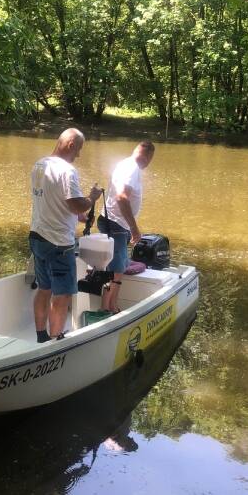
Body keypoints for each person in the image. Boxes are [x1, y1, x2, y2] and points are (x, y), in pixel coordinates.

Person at [29, 128, 103, 342]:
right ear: (71, 145)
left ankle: (41, 337)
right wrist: (91, 197)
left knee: (44, 289)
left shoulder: (39, 165)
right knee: (61, 296)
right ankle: (55, 342)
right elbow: (75, 203)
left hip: (37, 237)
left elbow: (52, 201)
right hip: (59, 244)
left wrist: (78, 217)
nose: (78, 154)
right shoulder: (67, 170)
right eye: (79, 149)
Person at [97, 140, 155, 313]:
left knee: (119, 266)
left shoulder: (125, 163)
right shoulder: (132, 169)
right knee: (117, 268)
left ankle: (111, 305)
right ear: (148, 156)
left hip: (113, 222)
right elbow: (122, 198)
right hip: (116, 223)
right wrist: (134, 228)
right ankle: (108, 309)